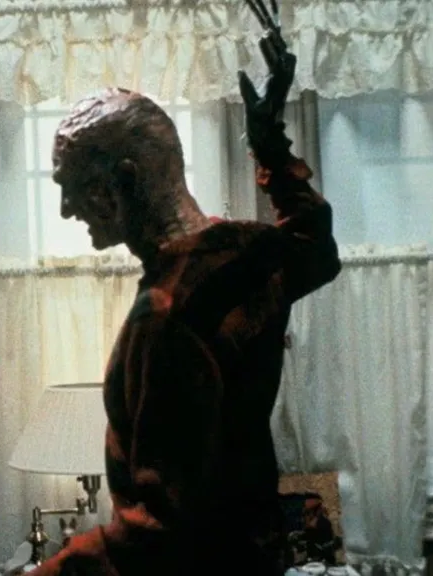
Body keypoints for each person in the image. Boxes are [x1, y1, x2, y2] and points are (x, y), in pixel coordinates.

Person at [27, 5, 342, 576]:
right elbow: (316, 247)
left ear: (125, 179)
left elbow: (156, 533)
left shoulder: (166, 317)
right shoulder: (242, 251)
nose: (68, 209)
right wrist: (271, 149)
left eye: (75, 188)